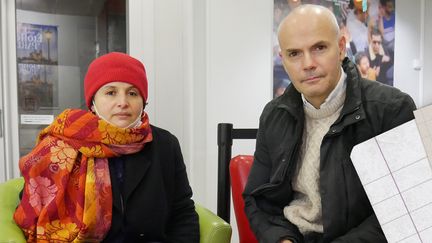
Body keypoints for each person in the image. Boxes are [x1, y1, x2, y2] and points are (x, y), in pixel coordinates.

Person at [243, 4, 415, 243]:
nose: (308, 63)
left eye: (319, 48)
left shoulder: (393, 109)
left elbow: (405, 208)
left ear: (341, 47)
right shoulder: (273, 115)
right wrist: (282, 239)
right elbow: (257, 198)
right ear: (283, 60)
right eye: (294, 54)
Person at [13, 52, 200, 242]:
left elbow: (182, 212)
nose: (123, 103)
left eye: (132, 93)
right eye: (111, 92)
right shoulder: (60, 145)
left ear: (143, 101)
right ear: (93, 102)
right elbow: (32, 210)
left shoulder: (165, 144)